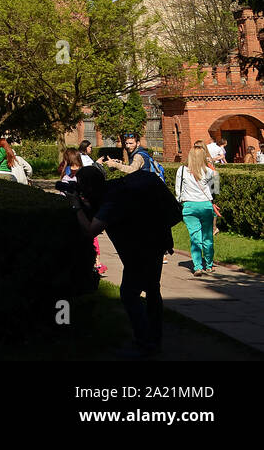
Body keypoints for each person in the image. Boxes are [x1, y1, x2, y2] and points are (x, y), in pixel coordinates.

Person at [72, 165, 180, 358]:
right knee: (153, 291)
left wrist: (77, 207)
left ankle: (145, 342)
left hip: (138, 251)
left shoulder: (113, 201)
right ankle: (155, 340)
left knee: (129, 294)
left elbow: (91, 230)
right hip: (154, 244)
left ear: (88, 187)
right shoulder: (116, 190)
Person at [175, 142, 219, 275]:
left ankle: (198, 266)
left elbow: (178, 191)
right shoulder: (209, 171)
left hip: (189, 206)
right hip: (205, 205)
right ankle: (209, 265)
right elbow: (216, 190)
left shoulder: (181, 170)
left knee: (195, 237)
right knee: (207, 236)